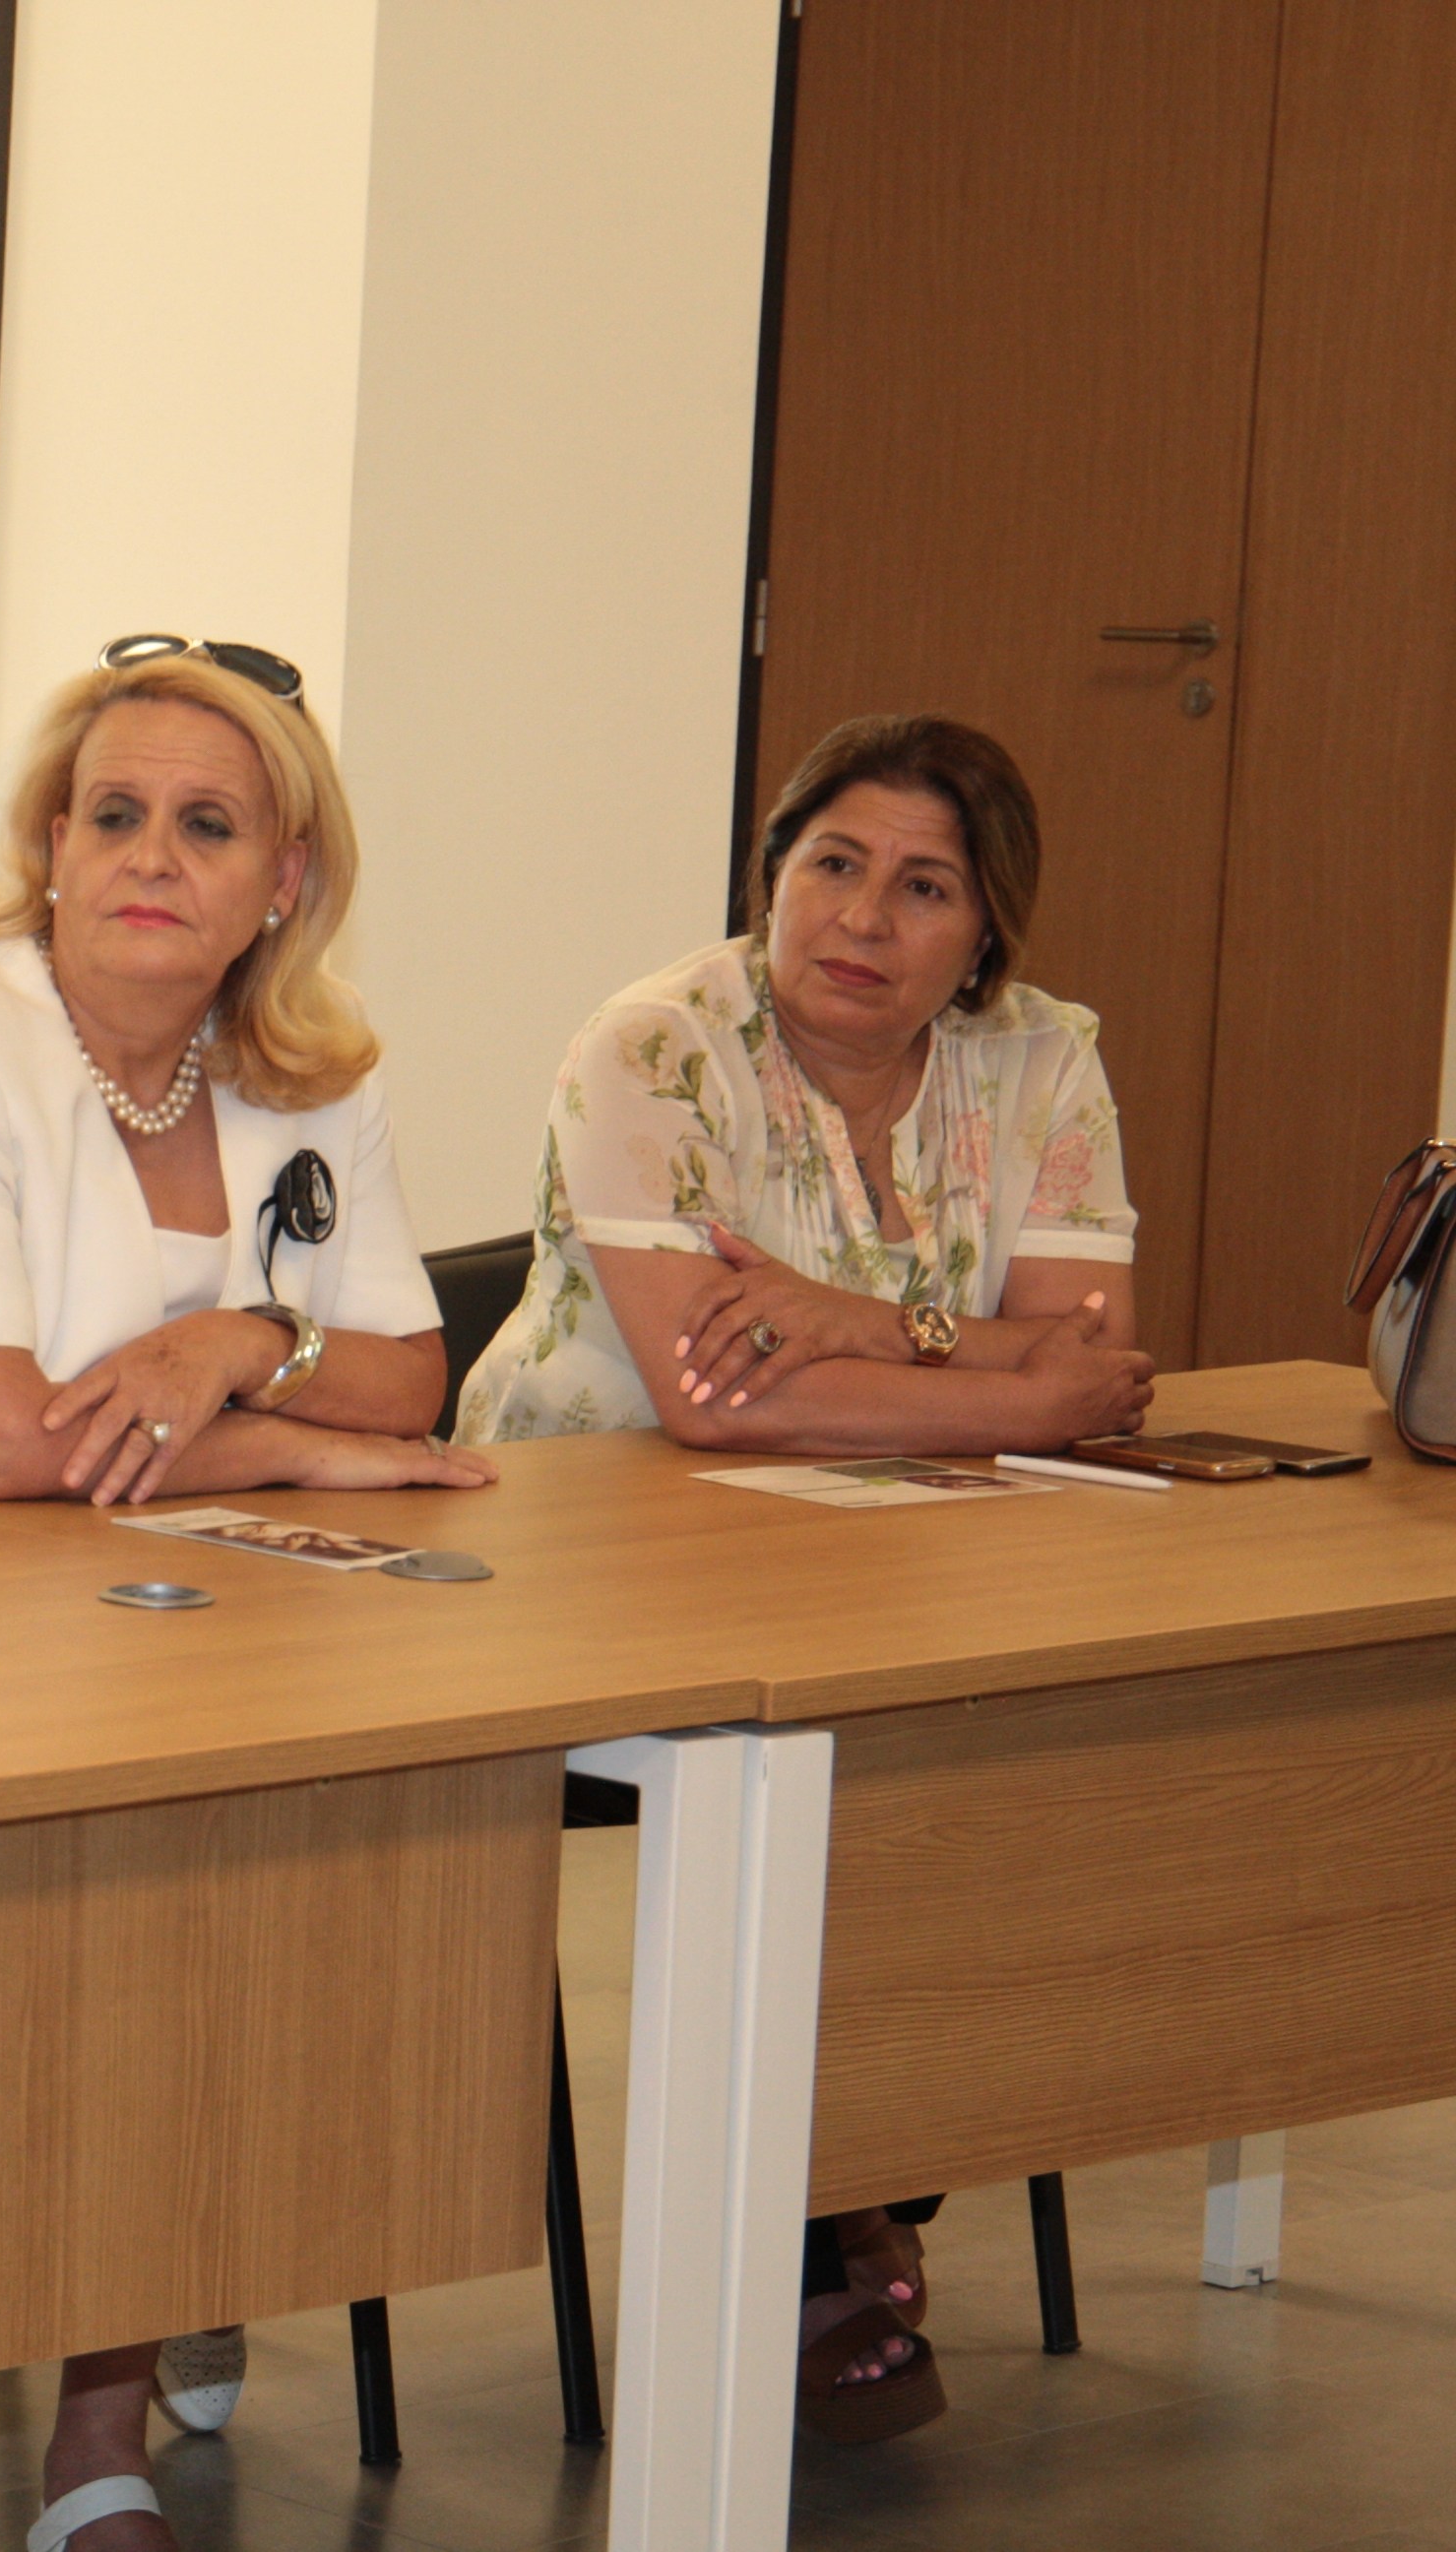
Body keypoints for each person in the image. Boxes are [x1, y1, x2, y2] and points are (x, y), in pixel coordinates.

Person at [0, 637, 488, 2552]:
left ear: (282, 882)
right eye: (113, 814)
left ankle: (136, 2338)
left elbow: (412, 1372)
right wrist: (298, 1449)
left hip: (170, 1634)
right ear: (48, 845)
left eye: (206, 826)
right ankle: (114, 2344)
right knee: (127, 1916)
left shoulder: (311, 1068)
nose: (151, 856)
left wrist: (240, 1343)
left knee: (247, 1892)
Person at [455, 710, 1159, 2443]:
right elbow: (713, 1401)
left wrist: (849, 1322)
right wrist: (1000, 1380)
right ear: (767, 877)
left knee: (1027, 1756)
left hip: (902, 1554)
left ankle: (854, 2179)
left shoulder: (1042, 1059)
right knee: (812, 1772)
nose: (861, 917)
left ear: (983, 934)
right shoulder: (655, 1048)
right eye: (830, 864)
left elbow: (1096, 1353)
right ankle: (806, 2229)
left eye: (924, 886)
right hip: (584, 1564)